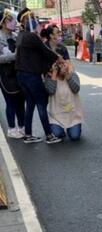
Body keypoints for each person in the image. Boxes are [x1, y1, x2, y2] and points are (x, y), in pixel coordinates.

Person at [15, 7, 61, 144]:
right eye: (33, 18)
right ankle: (49, 135)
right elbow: (45, 52)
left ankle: (28, 135)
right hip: (31, 76)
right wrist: (58, 58)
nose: (36, 21)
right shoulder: (31, 36)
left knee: (30, 104)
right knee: (41, 104)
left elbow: (35, 57)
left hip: (21, 76)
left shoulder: (21, 36)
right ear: (28, 21)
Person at [0, 9, 25, 139]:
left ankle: (22, 126)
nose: (12, 23)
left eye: (12, 20)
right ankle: (11, 128)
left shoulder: (16, 36)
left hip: (18, 73)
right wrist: (14, 56)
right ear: (3, 23)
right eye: (9, 20)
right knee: (10, 102)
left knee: (21, 102)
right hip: (5, 75)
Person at [44, 59, 82, 141]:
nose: (61, 66)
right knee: (57, 134)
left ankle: (75, 127)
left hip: (72, 115)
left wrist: (67, 75)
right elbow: (51, 91)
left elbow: (76, 89)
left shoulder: (73, 75)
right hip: (56, 116)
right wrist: (54, 73)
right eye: (58, 64)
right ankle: (60, 130)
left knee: (74, 136)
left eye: (63, 63)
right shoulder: (50, 77)